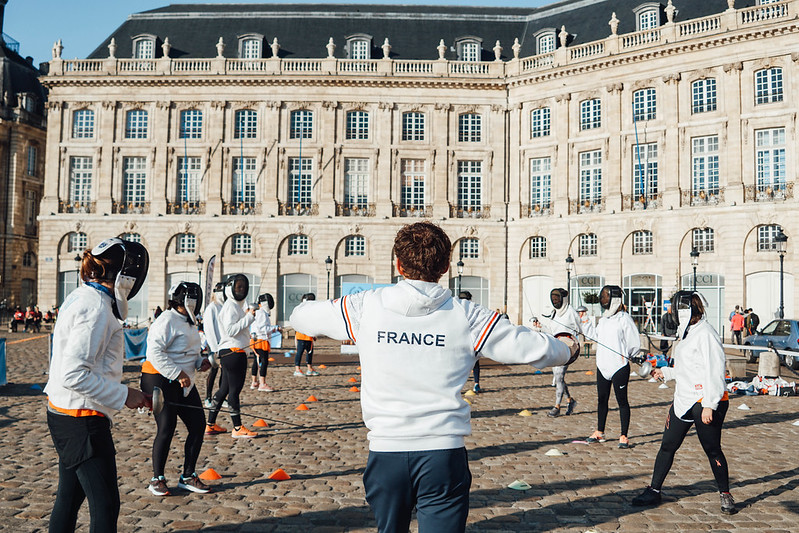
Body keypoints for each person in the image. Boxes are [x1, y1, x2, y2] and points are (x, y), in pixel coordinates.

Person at [290, 221, 578, 532]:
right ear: (445, 266)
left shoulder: (365, 306)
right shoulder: (468, 315)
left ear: (398, 264)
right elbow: (531, 348)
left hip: (386, 451)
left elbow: (300, 316)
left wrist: (330, 328)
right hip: (442, 452)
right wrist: (567, 346)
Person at [44, 237, 150, 533]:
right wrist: (124, 394)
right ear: (126, 276)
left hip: (65, 412)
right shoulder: (97, 308)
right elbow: (73, 373)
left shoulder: (83, 296)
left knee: (69, 496)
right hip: (82, 420)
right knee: (105, 506)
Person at [632, 291, 735, 515]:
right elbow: (687, 368)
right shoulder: (686, 333)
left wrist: (710, 404)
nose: (672, 313)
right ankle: (654, 490)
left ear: (685, 310)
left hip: (704, 399)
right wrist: (666, 372)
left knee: (712, 449)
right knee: (667, 445)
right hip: (683, 398)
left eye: (674, 309)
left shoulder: (706, 333)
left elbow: (715, 370)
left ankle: (725, 494)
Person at [141, 282, 212, 496]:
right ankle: (157, 478)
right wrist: (177, 373)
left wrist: (200, 362)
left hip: (184, 381)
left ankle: (188, 476)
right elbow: (154, 352)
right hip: (158, 377)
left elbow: (189, 352)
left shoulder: (190, 321)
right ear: (186, 300)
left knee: (198, 425)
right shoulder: (166, 320)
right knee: (167, 426)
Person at [581, 285, 640, 449]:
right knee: (602, 400)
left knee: (622, 401)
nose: (602, 299)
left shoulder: (624, 318)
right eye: (602, 296)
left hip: (619, 366)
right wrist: (584, 321)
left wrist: (626, 354)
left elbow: (634, 343)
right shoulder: (604, 319)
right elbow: (595, 336)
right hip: (602, 365)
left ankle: (624, 435)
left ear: (614, 299)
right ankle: (600, 432)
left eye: (605, 296)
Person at [205, 274, 257, 438]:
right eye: (238, 287)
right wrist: (249, 317)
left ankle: (210, 425)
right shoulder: (230, 306)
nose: (241, 290)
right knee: (234, 391)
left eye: (243, 287)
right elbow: (231, 330)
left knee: (223, 390)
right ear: (230, 289)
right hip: (234, 352)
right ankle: (237, 428)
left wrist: (247, 314)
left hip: (231, 352)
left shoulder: (233, 306)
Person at [541, 288, 582, 417]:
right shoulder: (554, 313)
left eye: (557, 298)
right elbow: (552, 331)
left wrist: (576, 345)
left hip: (567, 349)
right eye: (553, 298)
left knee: (558, 376)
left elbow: (581, 329)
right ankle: (570, 400)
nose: (555, 300)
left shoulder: (571, 312)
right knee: (560, 379)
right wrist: (540, 326)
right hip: (555, 347)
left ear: (563, 298)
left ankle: (557, 406)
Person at [250, 293, 279, 391]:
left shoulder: (258, 311)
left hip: (256, 340)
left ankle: (254, 382)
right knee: (263, 362)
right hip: (260, 340)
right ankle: (262, 384)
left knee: (256, 361)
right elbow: (263, 328)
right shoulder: (261, 313)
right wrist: (275, 329)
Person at [203, 282, 225, 409]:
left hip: (224, 344)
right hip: (214, 345)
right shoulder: (211, 308)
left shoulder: (223, 307)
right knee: (214, 370)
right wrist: (214, 348)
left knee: (224, 372)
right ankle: (208, 397)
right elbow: (209, 329)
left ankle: (220, 397)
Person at [459, 291, 483, 393]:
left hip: (460, 340)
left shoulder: (456, 309)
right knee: (475, 363)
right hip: (471, 340)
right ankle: (476, 383)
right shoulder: (474, 309)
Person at [293, 293, 319, 377]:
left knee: (309, 352)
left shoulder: (311, 311)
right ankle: (297, 369)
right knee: (299, 352)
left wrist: (314, 334)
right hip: (301, 335)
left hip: (309, 336)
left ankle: (309, 369)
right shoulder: (299, 310)